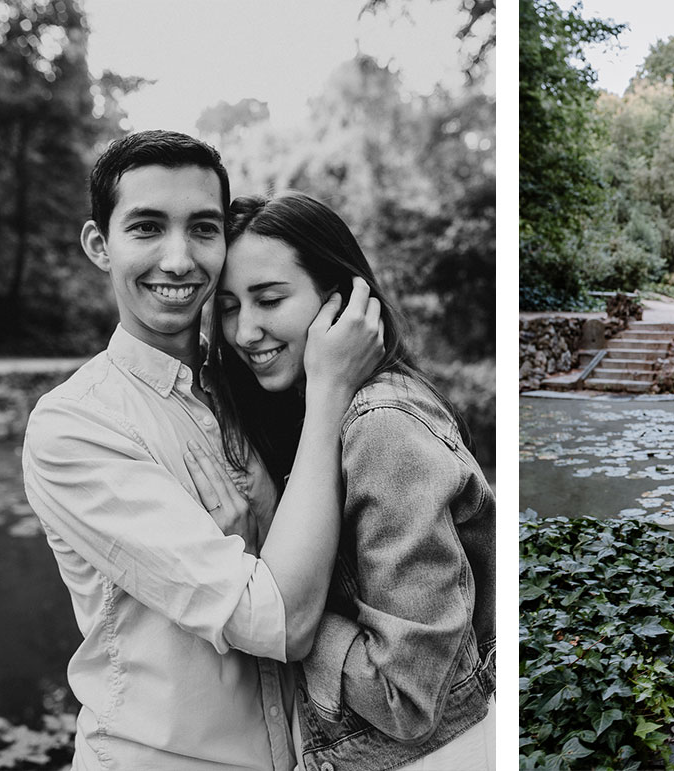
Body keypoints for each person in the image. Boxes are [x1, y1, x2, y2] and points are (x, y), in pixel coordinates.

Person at [22, 130, 383, 769]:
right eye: (147, 228)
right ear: (99, 246)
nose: (180, 259)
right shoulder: (74, 427)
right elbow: (279, 623)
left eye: (204, 229)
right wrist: (330, 392)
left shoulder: (247, 384)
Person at [187, 191, 495, 771]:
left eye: (269, 299)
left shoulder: (383, 429)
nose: (246, 331)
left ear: (344, 301)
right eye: (227, 307)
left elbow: (404, 697)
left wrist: (272, 600)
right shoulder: (304, 421)